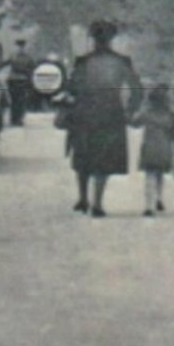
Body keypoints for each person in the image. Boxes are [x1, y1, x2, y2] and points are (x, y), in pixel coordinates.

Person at [65, 19, 141, 217]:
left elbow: (72, 88)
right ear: (111, 39)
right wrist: (130, 110)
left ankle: (83, 199)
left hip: (84, 112)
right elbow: (136, 89)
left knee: (83, 156)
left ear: (92, 38)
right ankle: (97, 203)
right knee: (104, 158)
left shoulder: (82, 61)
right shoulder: (122, 62)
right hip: (110, 113)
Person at [131, 83, 174, 217]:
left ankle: (149, 206)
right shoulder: (172, 116)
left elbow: (134, 123)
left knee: (150, 176)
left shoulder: (146, 114)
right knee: (160, 174)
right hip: (165, 150)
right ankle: (159, 198)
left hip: (149, 149)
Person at [7, 38, 37, 127]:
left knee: (16, 101)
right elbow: (32, 68)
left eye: (21, 46)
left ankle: (15, 119)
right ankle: (17, 119)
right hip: (20, 80)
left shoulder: (13, 56)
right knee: (19, 101)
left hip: (15, 80)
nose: (20, 48)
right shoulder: (27, 57)